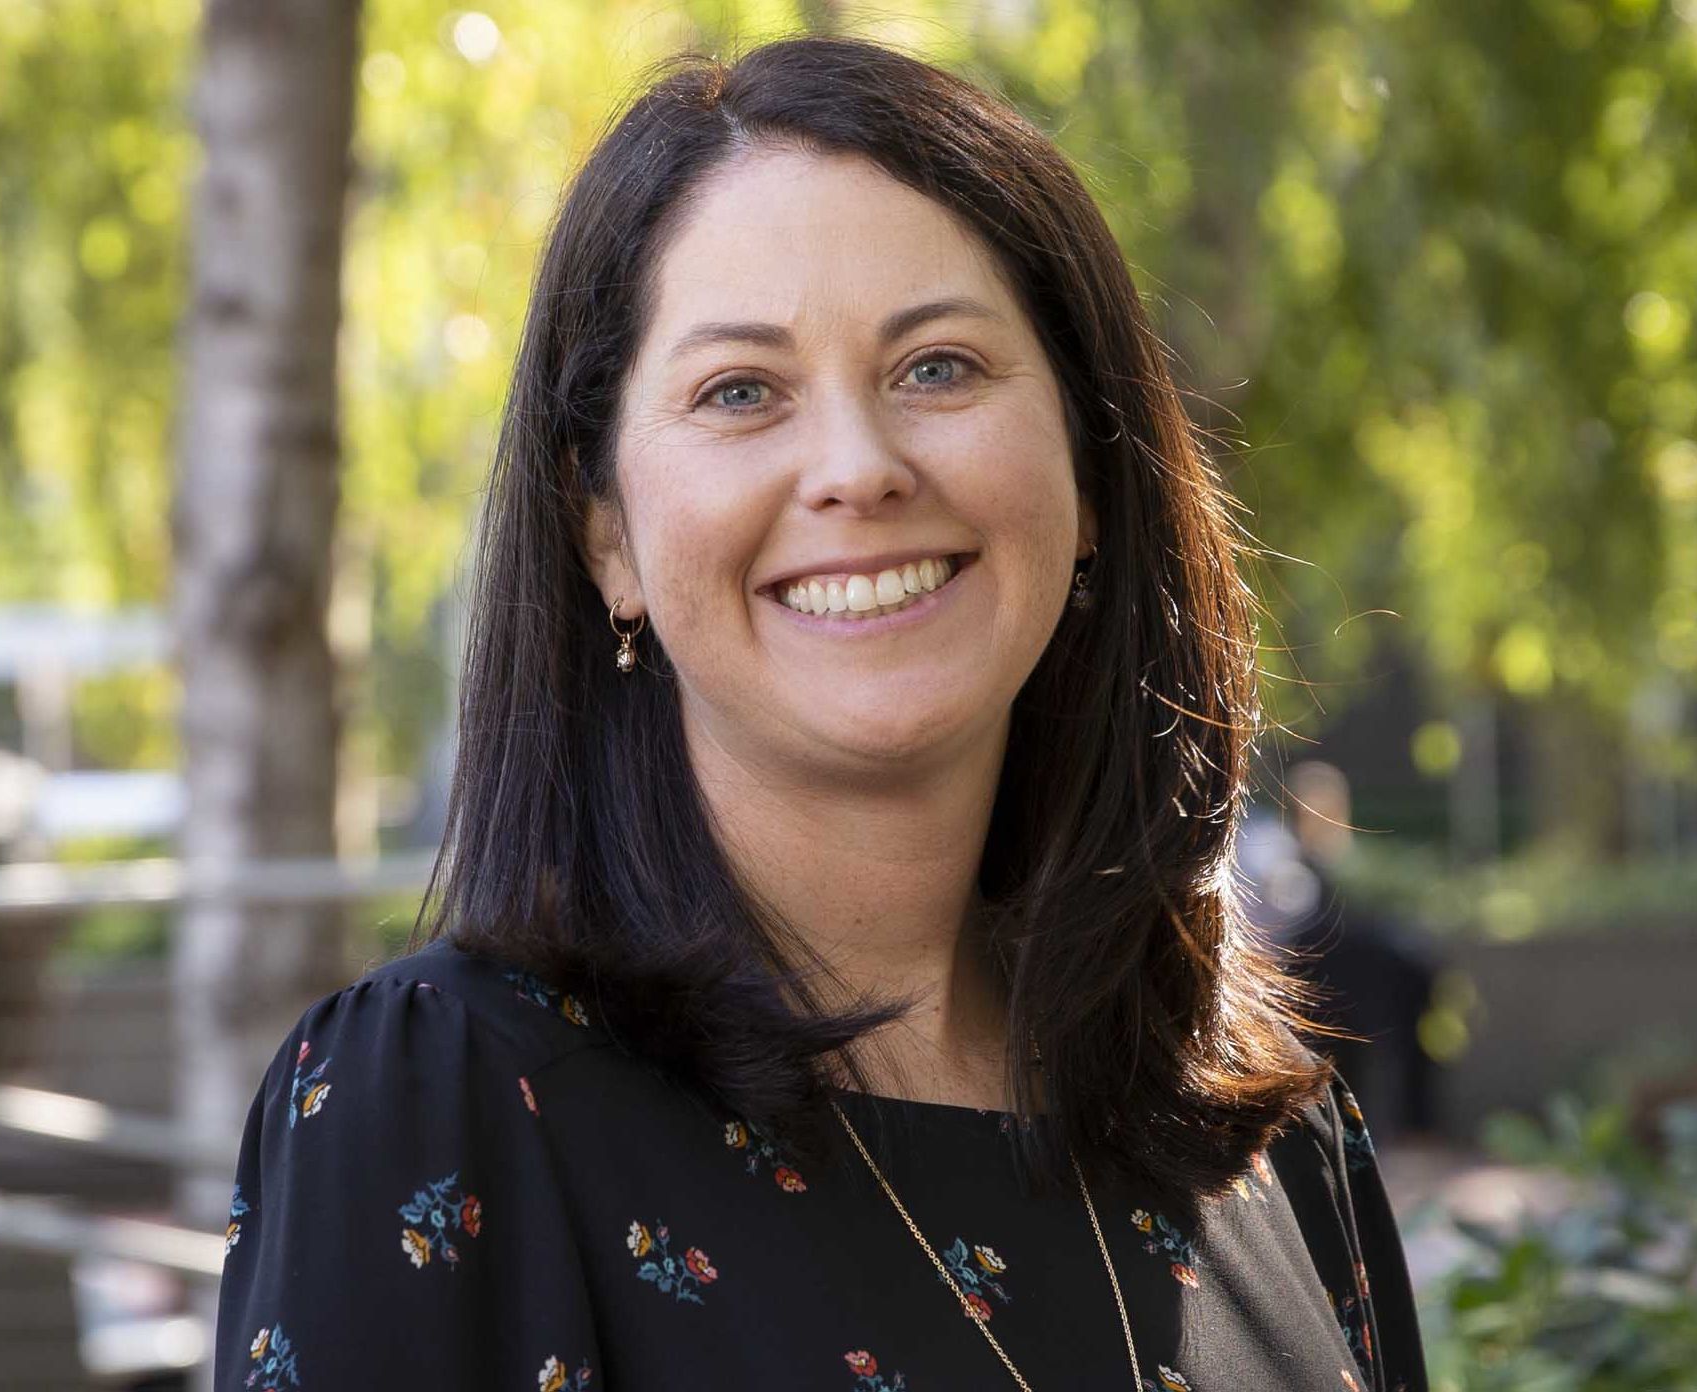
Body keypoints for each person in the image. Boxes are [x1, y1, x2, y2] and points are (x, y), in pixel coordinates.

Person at [215, 36, 1427, 1392]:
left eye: (939, 368)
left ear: (1091, 472)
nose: (857, 468)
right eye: (741, 392)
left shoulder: (1275, 1141)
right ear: (603, 532)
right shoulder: (446, 1110)